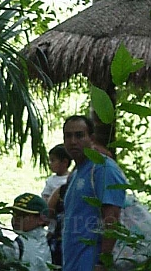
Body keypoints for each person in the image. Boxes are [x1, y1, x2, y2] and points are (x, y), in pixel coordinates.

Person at [62, 114, 126, 271]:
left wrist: (102, 263)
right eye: (68, 136)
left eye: (79, 135)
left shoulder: (103, 169)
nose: (73, 141)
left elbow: (112, 220)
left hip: (91, 263)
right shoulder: (76, 173)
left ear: (91, 138)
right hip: (72, 262)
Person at [7, 192, 52, 270]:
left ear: (41, 219)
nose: (16, 219)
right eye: (14, 214)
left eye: (22, 215)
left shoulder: (18, 245)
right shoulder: (49, 240)